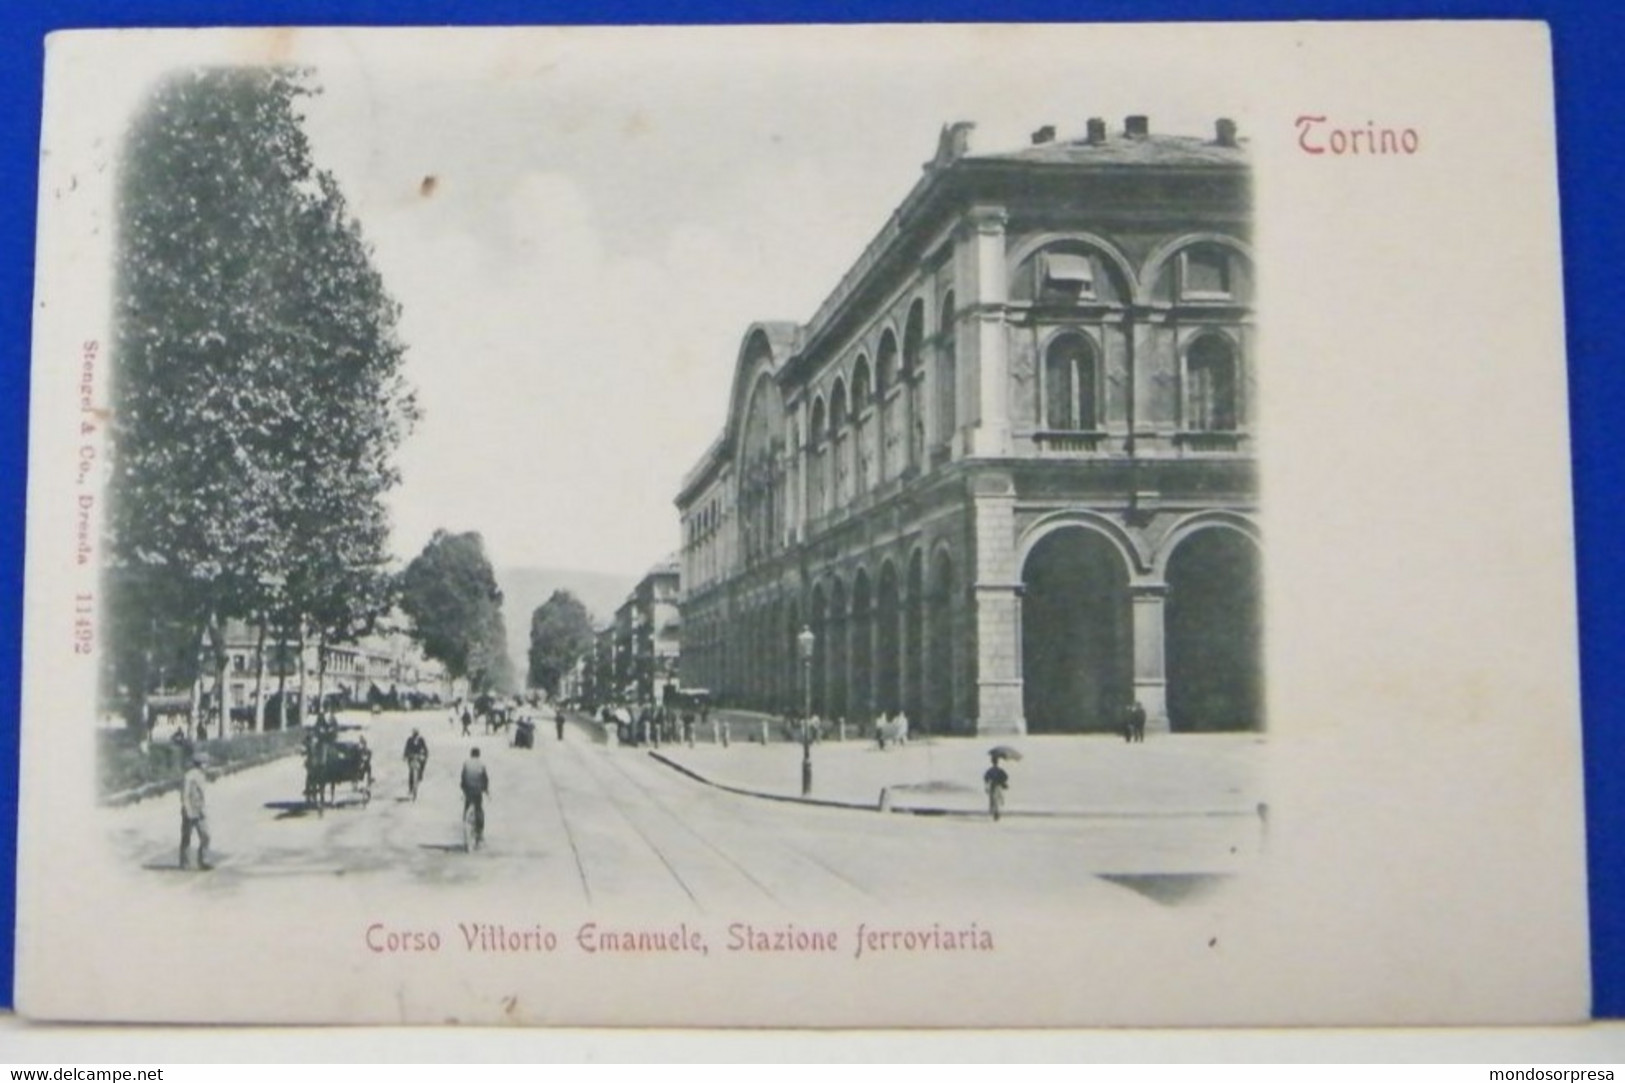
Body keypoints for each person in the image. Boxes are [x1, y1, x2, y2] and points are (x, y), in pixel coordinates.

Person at [179, 752, 212, 870]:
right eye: (206, 763)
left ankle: (204, 860)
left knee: (206, 835)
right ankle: (185, 862)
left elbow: (202, 794)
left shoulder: (202, 775)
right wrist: (187, 809)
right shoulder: (189, 776)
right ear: (200, 764)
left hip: (200, 809)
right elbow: (185, 794)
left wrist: (204, 808)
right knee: (186, 836)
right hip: (190, 809)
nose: (207, 765)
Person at [460, 747, 491, 851]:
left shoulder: (466, 763)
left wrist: (463, 788)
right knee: (479, 810)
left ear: (471, 754)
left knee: (467, 806)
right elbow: (485, 778)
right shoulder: (481, 764)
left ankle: (465, 819)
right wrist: (485, 789)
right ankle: (480, 832)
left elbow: (463, 777)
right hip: (477, 790)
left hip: (468, 790)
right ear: (479, 754)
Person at [983, 753, 1010, 822]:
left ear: (992, 762)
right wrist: (1002, 782)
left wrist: (987, 786)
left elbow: (986, 778)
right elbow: (1006, 777)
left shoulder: (990, 770)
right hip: (998, 786)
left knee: (994, 800)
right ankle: (996, 813)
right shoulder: (1000, 770)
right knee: (998, 799)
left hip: (993, 786)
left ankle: (995, 813)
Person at [403, 728, 429, 800]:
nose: (415, 735)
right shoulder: (409, 740)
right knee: (411, 772)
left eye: (416, 734)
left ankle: (420, 774)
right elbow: (406, 748)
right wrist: (405, 755)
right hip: (411, 757)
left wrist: (425, 755)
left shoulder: (421, 740)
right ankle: (411, 788)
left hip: (419, 756)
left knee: (423, 764)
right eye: (414, 734)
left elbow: (425, 748)